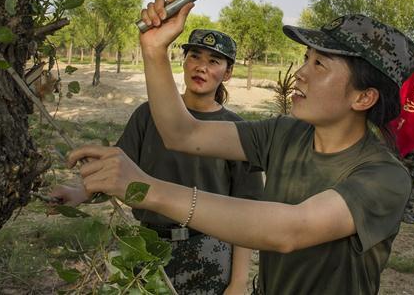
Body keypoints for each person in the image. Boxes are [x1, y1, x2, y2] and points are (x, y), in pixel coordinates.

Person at [67, 0, 414, 294]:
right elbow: (183, 133)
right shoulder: (284, 134)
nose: (300, 72)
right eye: (305, 59)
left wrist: (147, 190)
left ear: (363, 98)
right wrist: (155, 51)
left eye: (319, 64)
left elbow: (289, 230)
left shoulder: (385, 178)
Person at [52, 28, 263, 295]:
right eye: (195, 56)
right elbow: (117, 174)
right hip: (147, 246)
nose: (201, 67)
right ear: (183, 61)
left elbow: (246, 214)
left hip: (210, 252)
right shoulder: (148, 115)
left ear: (228, 73)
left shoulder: (237, 131)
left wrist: (238, 283)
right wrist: (77, 194)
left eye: (214, 61)